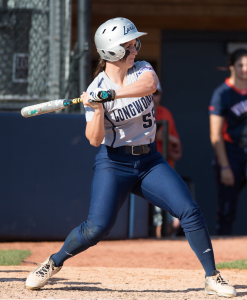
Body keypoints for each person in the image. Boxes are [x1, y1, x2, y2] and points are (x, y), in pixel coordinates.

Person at [26, 17, 236, 297]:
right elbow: (94, 139)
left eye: (135, 42)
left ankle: (212, 276)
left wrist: (111, 94)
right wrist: (97, 107)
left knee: (189, 210)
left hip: (150, 162)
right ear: (112, 51)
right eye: (129, 44)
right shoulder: (95, 87)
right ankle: (53, 263)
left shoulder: (143, 70)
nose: (136, 47)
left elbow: (149, 85)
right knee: (96, 228)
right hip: (114, 163)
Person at [209, 48, 247, 236]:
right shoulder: (222, 93)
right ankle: (223, 248)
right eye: (241, 65)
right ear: (232, 66)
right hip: (230, 152)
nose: (245, 69)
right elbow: (215, 134)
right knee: (226, 207)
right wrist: (225, 167)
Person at [153, 82, 182, 237]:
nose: (152, 96)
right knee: (154, 221)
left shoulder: (166, 113)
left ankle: (163, 252)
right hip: (143, 175)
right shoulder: (135, 113)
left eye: (156, 92)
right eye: (148, 92)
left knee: (176, 221)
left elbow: (177, 147)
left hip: (165, 173)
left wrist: (166, 139)